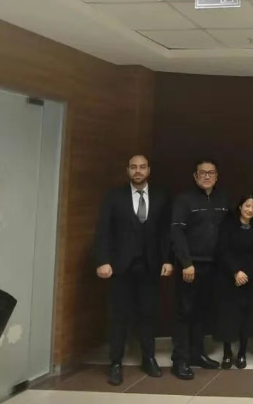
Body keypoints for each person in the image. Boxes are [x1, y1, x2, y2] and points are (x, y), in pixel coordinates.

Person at [94, 155, 173, 385]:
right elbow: (103, 230)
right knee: (118, 316)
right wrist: (102, 260)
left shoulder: (161, 196)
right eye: (133, 167)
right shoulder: (114, 196)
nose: (138, 171)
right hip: (120, 266)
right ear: (127, 170)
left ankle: (148, 358)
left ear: (149, 170)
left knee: (148, 314)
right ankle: (115, 363)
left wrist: (168, 260)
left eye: (142, 167)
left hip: (150, 265)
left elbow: (166, 232)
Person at [170, 158, 229, 380]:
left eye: (211, 172)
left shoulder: (223, 199)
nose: (206, 176)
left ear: (217, 176)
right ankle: (180, 360)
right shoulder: (184, 200)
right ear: (195, 177)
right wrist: (186, 263)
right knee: (185, 313)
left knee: (202, 312)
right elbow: (176, 232)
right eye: (202, 173)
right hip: (191, 266)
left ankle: (197, 354)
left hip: (214, 266)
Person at [214, 194, 253, 370]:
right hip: (229, 277)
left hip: (250, 278)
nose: (250, 210)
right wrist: (236, 271)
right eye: (247, 206)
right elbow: (222, 250)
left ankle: (242, 352)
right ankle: (227, 353)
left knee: (246, 316)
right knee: (228, 316)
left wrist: (247, 274)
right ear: (240, 207)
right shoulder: (228, 225)